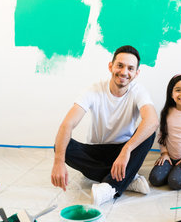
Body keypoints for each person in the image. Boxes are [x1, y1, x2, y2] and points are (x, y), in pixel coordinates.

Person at [51, 45, 159, 206]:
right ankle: (127, 179)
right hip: (97, 150)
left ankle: (110, 186)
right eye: (120, 65)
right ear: (111, 66)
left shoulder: (138, 91)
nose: (124, 72)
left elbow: (152, 121)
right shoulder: (93, 90)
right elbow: (67, 124)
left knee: (149, 132)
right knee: (62, 147)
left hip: (124, 150)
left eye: (130, 68)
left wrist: (127, 150)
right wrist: (58, 162)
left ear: (136, 73)